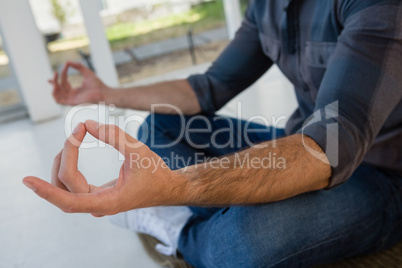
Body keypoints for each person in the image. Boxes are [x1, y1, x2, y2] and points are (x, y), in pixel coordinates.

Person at [23, 0, 402, 267]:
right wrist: (106, 94)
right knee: (162, 125)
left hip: (383, 175)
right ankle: (212, 206)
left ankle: (180, 229)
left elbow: (333, 144)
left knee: (246, 242)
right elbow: (209, 86)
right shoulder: (267, 6)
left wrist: (176, 188)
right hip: (305, 143)